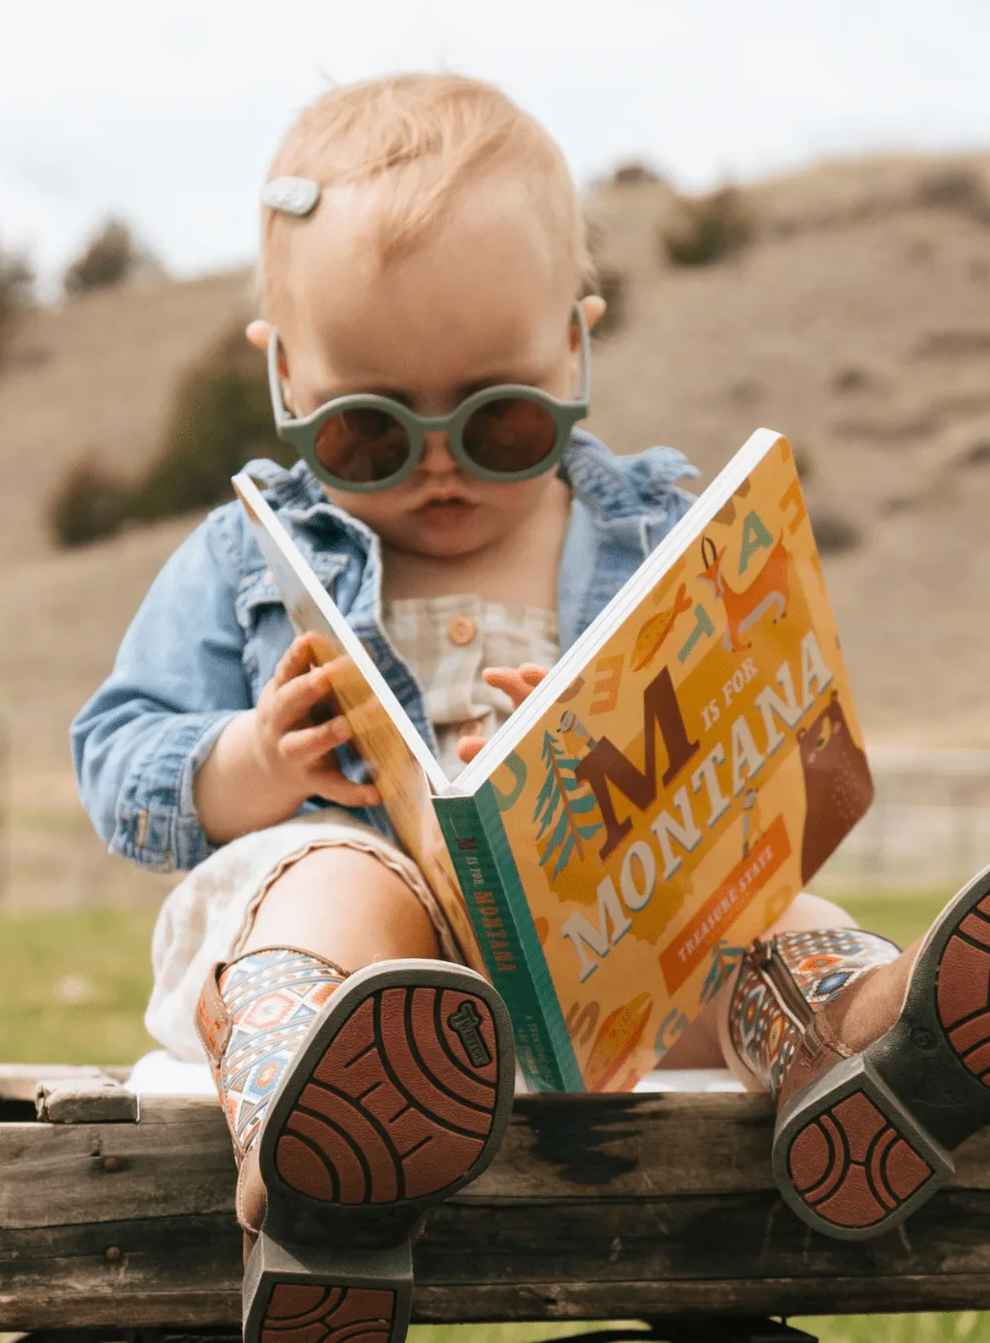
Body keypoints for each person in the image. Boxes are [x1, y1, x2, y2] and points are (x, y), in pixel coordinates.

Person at [72, 73, 990, 1342]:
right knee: (332, 872)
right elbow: (115, 752)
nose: (439, 462)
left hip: (607, 960)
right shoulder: (249, 553)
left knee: (759, 907)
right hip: (364, 941)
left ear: (577, 343)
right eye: (366, 434)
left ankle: (870, 1054)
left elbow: (764, 734)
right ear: (285, 373)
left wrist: (629, 748)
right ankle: (325, 1147)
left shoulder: (651, 529)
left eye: (500, 419)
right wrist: (248, 761)